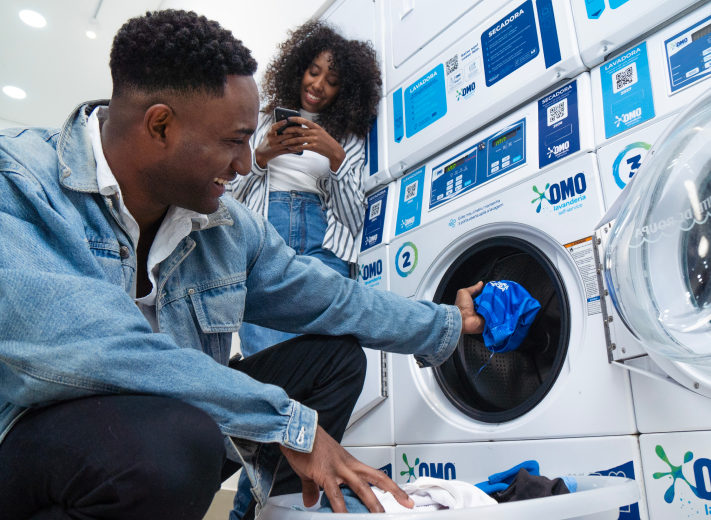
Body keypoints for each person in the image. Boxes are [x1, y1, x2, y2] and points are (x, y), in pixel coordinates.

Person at [0, 10, 485, 520]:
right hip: (33, 448)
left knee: (334, 360)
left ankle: (273, 512)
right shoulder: (20, 183)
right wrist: (287, 423)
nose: (242, 164)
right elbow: (107, 352)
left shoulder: (226, 226)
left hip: (169, 434)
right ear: (160, 125)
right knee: (172, 445)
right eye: (234, 141)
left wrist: (449, 323)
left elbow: (333, 299)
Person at [230, 21, 381, 357]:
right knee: (268, 355)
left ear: (344, 91)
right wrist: (261, 157)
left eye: (332, 81)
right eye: (313, 72)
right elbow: (226, 195)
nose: (318, 85)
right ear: (299, 69)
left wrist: (336, 156)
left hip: (322, 242)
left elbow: (355, 220)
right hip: (265, 236)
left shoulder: (349, 140)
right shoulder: (261, 122)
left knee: (324, 352)